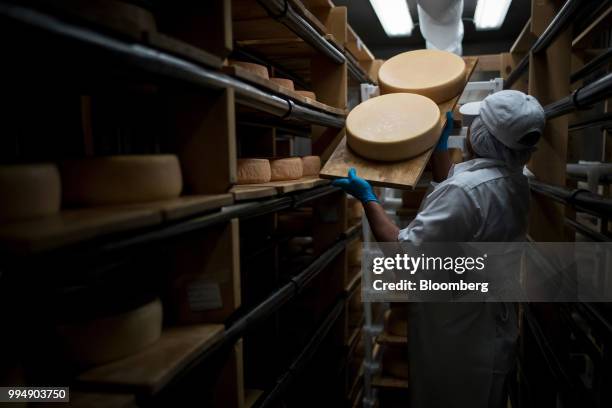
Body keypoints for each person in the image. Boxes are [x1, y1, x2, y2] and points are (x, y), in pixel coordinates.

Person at [333, 90, 546, 408]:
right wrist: (440, 148)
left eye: (474, 125)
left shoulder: (464, 193)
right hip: (487, 324)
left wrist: (368, 198)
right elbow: (466, 195)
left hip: (457, 339)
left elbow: (402, 253)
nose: (468, 129)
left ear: (482, 137)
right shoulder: (518, 178)